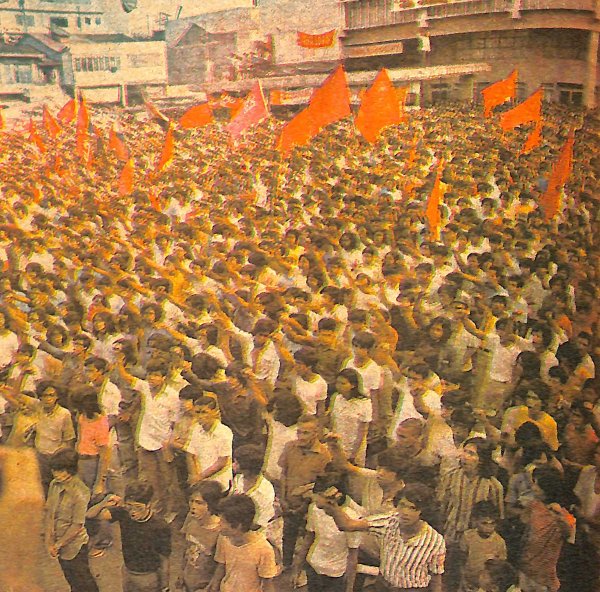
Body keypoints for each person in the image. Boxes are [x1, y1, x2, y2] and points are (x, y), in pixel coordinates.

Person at [86, 481, 172, 592]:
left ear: (149, 505)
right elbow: (90, 515)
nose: (133, 512)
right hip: (127, 571)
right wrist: (104, 502)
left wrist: (165, 586)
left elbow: (164, 558)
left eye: (138, 507)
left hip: (149, 577)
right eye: (129, 506)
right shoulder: (123, 513)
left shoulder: (159, 526)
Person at [45, 448, 99, 592]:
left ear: (70, 469)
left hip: (75, 546)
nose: (56, 474)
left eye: (59, 470)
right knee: (71, 580)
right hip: (58, 544)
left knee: (84, 582)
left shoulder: (81, 492)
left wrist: (58, 544)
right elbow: (50, 513)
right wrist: (50, 540)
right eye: (54, 470)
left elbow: (77, 525)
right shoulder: (54, 485)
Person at [207, 494, 279, 592]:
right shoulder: (224, 539)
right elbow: (221, 565)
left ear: (238, 526)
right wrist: (214, 585)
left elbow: (267, 584)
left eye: (222, 521)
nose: (218, 524)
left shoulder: (264, 550)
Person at [179, 481, 224, 592]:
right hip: (188, 581)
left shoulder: (220, 531)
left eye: (199, 503)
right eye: (191, 501)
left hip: (204, 586)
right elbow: (185, 548)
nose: (193, 506)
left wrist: (212, 587)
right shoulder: (190, 519)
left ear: (211, 505)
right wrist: (181, 572)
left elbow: (221, 565)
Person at [459, 501, 507, 592]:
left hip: (487, 585)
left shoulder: (499, 542)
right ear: (475, 521)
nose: (489, 527)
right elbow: (462, 560)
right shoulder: (468, 536)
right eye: (484, 523)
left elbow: (500, 567)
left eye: (492, 523)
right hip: (468, 582)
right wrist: (463, 580)